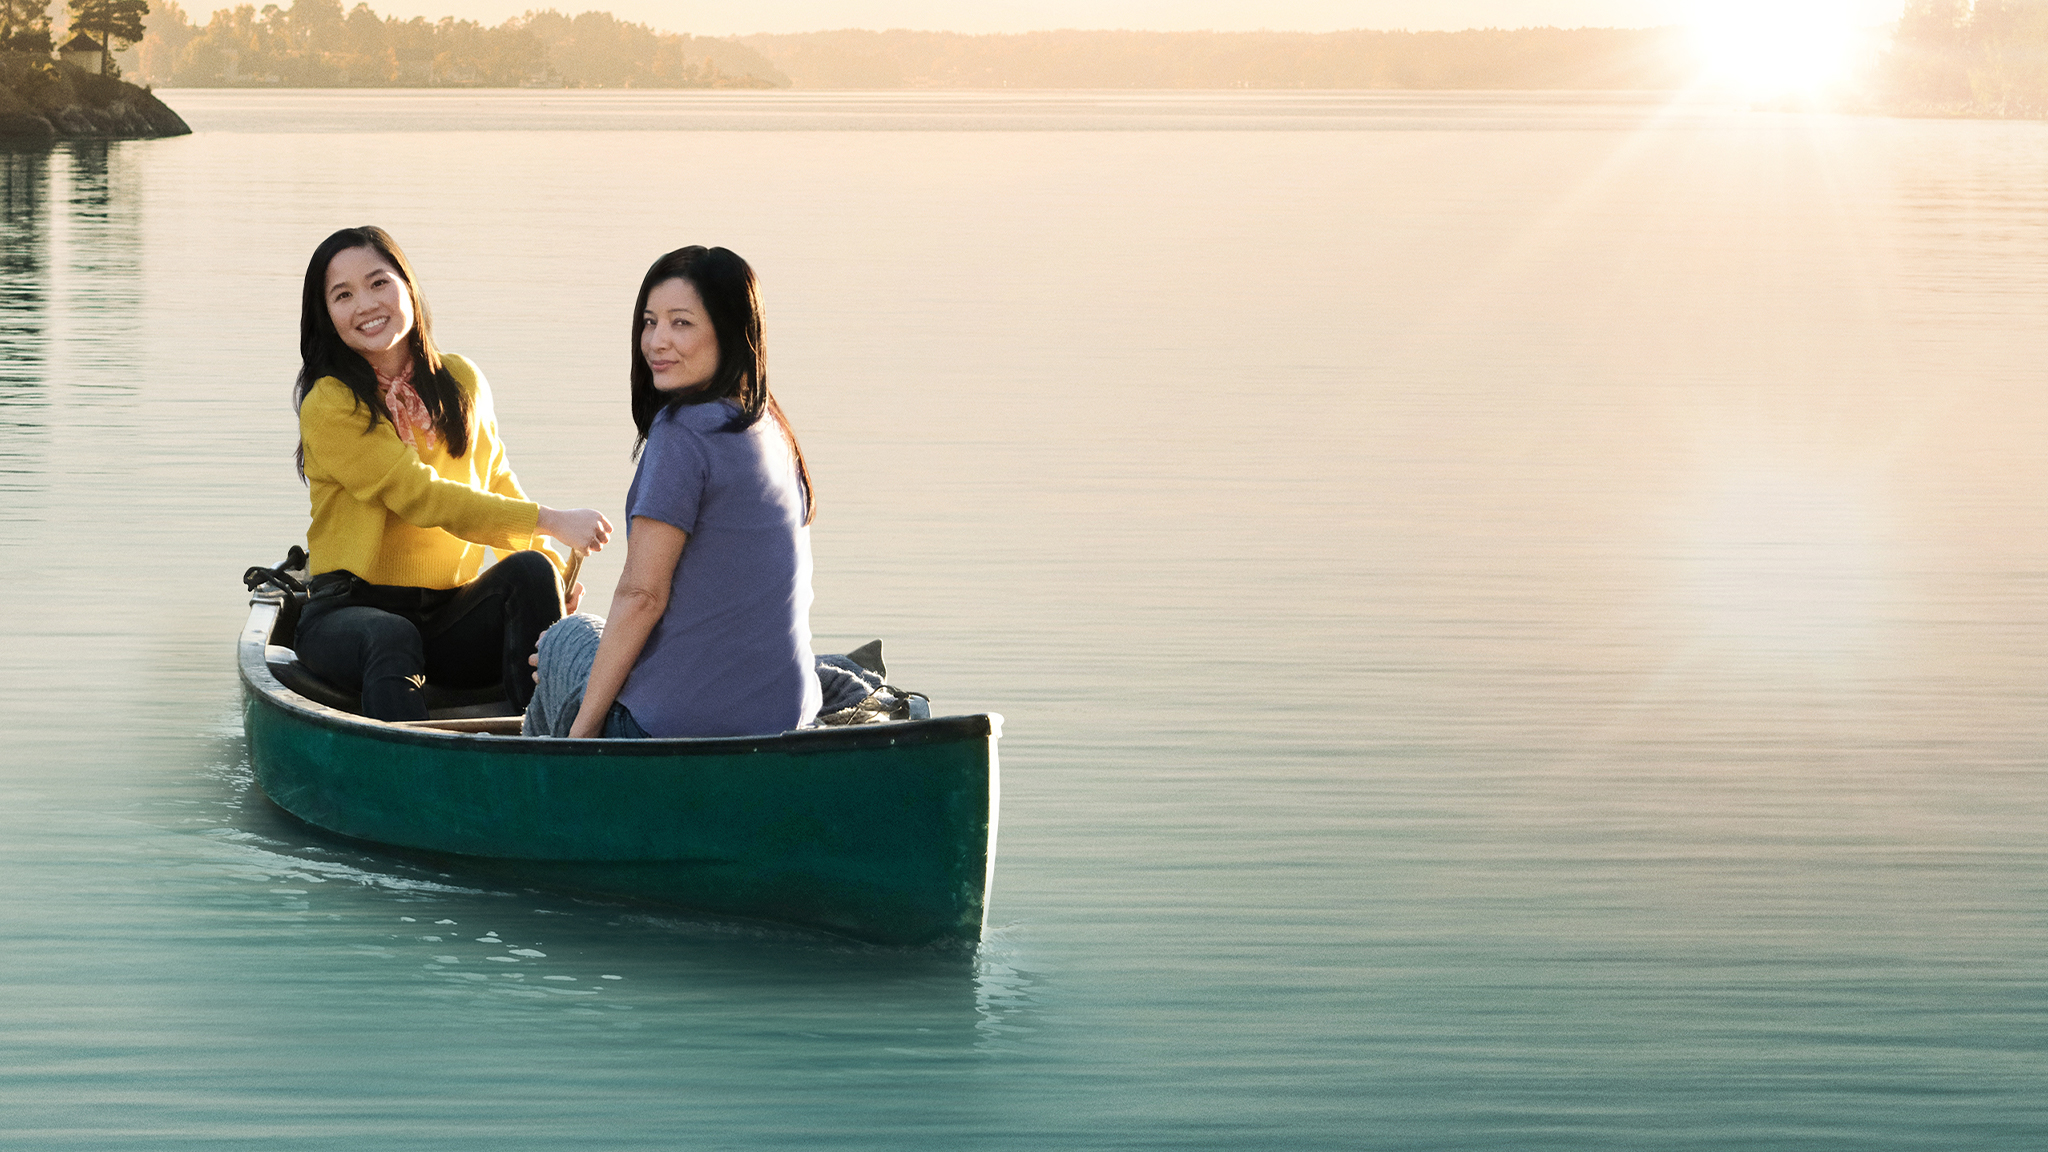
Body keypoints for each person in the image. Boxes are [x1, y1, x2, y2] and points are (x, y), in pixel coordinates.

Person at [291, 225, 612, 722]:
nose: (365, 305)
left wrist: (552, 569)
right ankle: (414, 779)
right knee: (390, 635)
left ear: (408, 288)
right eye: (343, 295)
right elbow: (422, 497)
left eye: (379, 283)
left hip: (446, 616)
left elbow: (496, 480)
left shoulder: (461, 380)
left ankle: (548, 744)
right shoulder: (331, 403)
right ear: (327, 315)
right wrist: (551, 520)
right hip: (346, 616)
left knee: (530, 572)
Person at [525, 245, 820, 739]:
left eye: (681, 323)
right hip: (787, 717)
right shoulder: (770, 423)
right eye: (649, 321)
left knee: (564, 639)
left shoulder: (682, 432)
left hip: (677, 730)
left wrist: (581, 737)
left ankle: (540, 790)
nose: (657, 341)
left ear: (730, 332)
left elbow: (642, 596)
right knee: (591, 643)